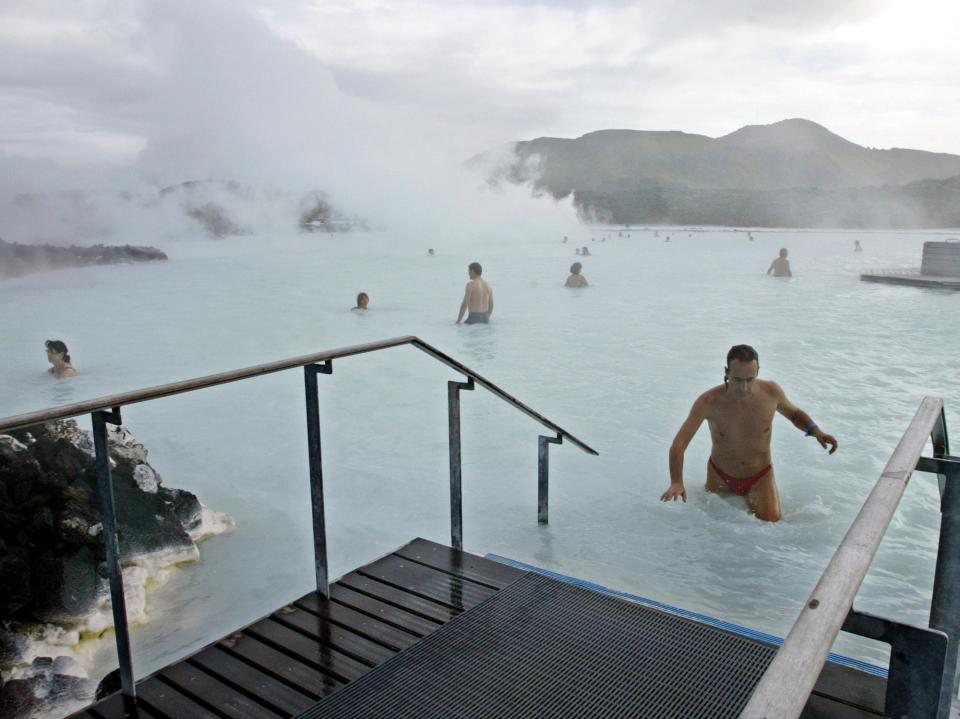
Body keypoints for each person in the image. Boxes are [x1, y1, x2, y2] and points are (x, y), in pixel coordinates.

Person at [660, 345, 837, 521]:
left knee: (771, 525)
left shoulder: (771, 392)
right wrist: (676, 481)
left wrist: (815, 430)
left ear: (758, 371)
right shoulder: (708, 402)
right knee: (712, 530)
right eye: (737, 380)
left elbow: (794, 414)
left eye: (749, 379)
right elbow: (679, 444)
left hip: (760, 476)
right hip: (720, 475)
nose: (744, 387)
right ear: (727, 372)